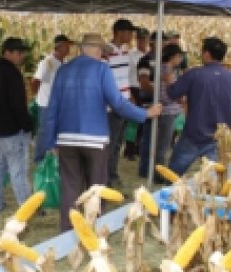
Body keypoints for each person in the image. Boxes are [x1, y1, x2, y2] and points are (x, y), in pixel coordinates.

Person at [43, 33, 162, 231]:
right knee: (96, 186)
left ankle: (67, 232)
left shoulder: (63, 70)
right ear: (98, 51)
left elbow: (52, 107)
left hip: (66, 138)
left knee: (70, 187)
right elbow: (117, 103)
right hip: (95, 138)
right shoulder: (101, 69)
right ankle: (95, 229)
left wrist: (50, 141)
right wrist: (145, 113)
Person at [166, 37, 231, 175]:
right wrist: (224, 108)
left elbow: (172, 93)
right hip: (219, 139)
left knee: (172, 176)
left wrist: (168, 74)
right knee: (213, 180)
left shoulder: (193, 74)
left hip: (193, 135)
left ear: (206, 54)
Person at [0, 37, 34, 213]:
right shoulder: (12, 74)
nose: (22, 56)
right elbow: (18, 105)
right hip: (12, 130)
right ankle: (27, 208)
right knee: (18, 169)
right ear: (7, 53)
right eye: (19, 53)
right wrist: (28, 125)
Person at [137, 41, 184, 182]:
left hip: (157, 109)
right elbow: (169, 94)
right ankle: (158, 175)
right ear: (174, 56)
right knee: (163, 145)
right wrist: (181, 100)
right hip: (167, 111)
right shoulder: (168, 71)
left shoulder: (159, 68)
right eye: (179, 56)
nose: (181, 60)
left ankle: (145, 170)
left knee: (149, 141)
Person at [31, 34, 72, 162]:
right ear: (59, 47)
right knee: (44, 131)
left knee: (56, 131)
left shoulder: (65, 63)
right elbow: (35, 81)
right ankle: (39, 158)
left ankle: (52, 157)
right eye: (67, 46)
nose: (69, 49)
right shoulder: (47, 63)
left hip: (60, 104)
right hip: (46, 103)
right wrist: (38, 95)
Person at [105, 18, 136, 187]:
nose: (131, 35)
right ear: (119, 33)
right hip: (113, 106)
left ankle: (113, 174)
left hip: (124, 103)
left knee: (118, 144)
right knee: (111, 144)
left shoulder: (125, 52)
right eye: (129, 32)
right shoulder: (106, 53)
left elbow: (124, 79)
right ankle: (107, 178)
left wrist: (129, 96)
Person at [124, 27, 149, 161]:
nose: (142, 42)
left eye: (144, 39)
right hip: (133, 88)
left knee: (144, 120)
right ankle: (129, 149)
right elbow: (126, 75)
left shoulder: (150, 55)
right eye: (139, 39)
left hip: (145, 89)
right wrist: (130, 94)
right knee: (133, 121)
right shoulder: (131, 55)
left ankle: (139, 147)